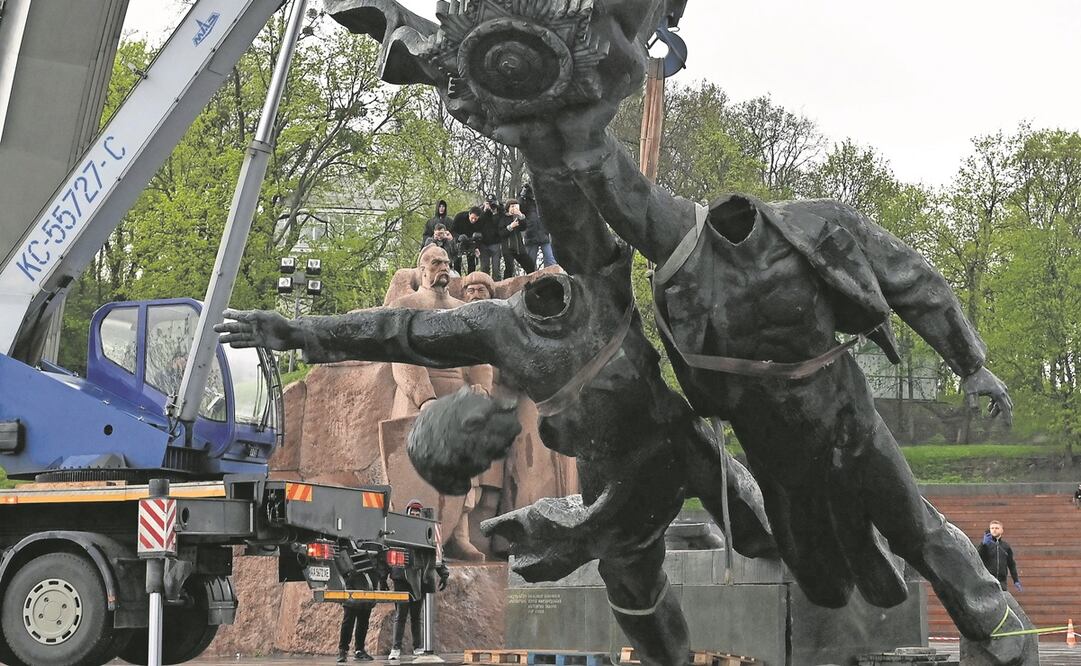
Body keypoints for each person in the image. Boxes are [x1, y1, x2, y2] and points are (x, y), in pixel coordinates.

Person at [387, 245, 491, 562]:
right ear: (422, 270)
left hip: (457, 400)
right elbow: (401, 356)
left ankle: (458, 535)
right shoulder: (407, 307)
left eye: (446, 262)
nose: (443, 267)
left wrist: (482, 389)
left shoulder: (464, 310)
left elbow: (480, 357)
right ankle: (416, 538)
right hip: (421, 402)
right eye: (435, 262)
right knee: (420, 469)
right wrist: (424, 398)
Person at [389, 500, 449, 661]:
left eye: (417, 513)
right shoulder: (401, 530)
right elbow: (390, 551)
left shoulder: (427, 531)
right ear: (407, 513)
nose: (415, 515)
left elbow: (437, 553)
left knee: (416, 615)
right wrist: (383, 576)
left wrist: (444, 573)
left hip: (421, 578)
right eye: (412, 512)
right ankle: (395, 648)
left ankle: (417, 647)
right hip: (402, 578)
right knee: (401, 614)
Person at [978, 520, 1022, 593]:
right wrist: (983, 545)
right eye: (992, 528)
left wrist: (1016, 580)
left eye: (996, 528)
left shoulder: (1006, 546)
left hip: (1002, 582)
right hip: (988, 581)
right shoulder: (985, 544)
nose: (994, 530)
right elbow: (977, 557)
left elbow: (1011, 564)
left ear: (1002, 530)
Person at [497, 198, 536, 278]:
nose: (514, 208)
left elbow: (524, 227)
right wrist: (510, 227)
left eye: (515, 206)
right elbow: (501, 233)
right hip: (508, 248)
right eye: (512, 206)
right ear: (508, 208)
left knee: (530, 265)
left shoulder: (517, 217)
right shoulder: (503, 218)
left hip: (519, 247)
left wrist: (521, 216)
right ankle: (506, 286)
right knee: (509, 268)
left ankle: (532, 283)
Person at [520, 183, 555, 268]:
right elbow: (519, 208)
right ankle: (531, 281)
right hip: (531, 236)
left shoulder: (541, 203)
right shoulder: (526, 203)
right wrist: (522, 194)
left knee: (551, 260)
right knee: (530, 264)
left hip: (544, 234)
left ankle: (552, 279)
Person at [451, 206, 486, 273]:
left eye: (475, 219)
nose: (473, 220)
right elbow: (452, 231)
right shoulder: (459, 216)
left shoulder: (480, 221)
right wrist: (459, 237)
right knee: (457, 261)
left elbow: (481, 236)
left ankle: (471, 279)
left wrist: (476, 247)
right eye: (472, 218)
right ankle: (458, 278)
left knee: (471, 261)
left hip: (471, 241)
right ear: (469, 214)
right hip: (459, 240)